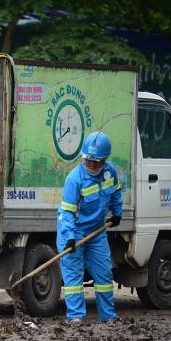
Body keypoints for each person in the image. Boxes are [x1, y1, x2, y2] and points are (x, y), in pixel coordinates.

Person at [56, 131, 123, 324]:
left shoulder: (110, 172)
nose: (91, 164)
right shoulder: (74, 179)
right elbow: (67, 212)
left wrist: (117, 213)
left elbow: (116, 192)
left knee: (104, 274)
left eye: (96, 161)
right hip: (74, 231)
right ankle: (76, 318)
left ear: (105, 160)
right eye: (88, 160)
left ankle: (108, 317)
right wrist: (69, 236)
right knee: (74, 279)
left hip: (97, 232)